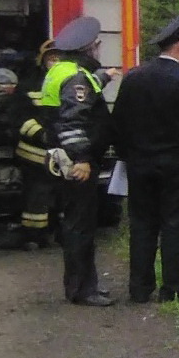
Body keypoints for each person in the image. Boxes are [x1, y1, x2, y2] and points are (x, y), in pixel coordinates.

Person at [110, 15, 179, 303]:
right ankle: (172, 289)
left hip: (139, 164)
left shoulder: (134, 77)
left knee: (141, 224)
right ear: (178, 46)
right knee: (175, 224)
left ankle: (139, 288)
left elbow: (118, 122)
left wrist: (127, 155)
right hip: (178, 164)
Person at [41, 15, 118, 306]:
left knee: (78, 223)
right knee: (80, 226)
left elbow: (79, 96)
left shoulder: (63, 70)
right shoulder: (75, 77)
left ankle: (84, 284)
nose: (99, 50)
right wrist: (83, 158)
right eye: (97, 46)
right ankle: (82, 290)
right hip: (76, 163)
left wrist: (105, 77)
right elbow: (72, 122)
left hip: (62, 159)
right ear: (90, 48)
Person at [11, 38, 62, 249]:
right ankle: (32, 235)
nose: (55, 61)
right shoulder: (29, 85)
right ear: (42, 60)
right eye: (51, 57)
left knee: (62, 195)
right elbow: (19, 118)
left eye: (59, 57)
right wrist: (41, 135)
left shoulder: (70, 82)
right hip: (34, 153)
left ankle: (58, 232)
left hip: (62, 151)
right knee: (36, 195)